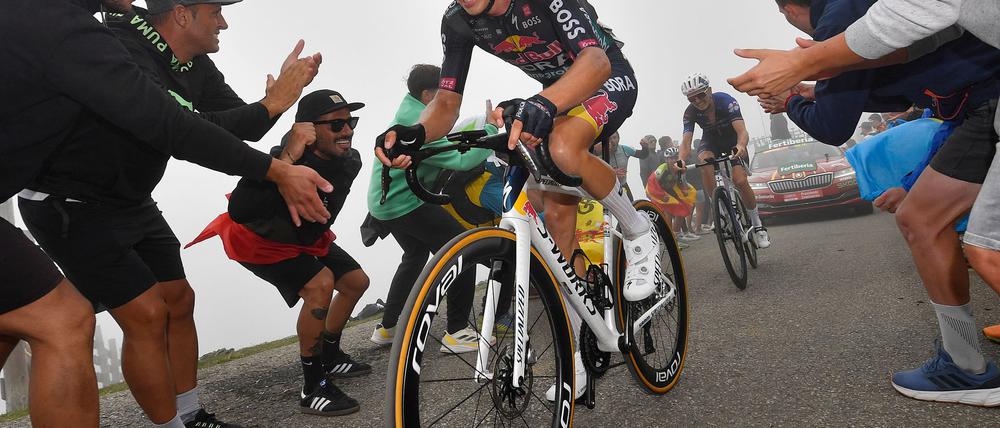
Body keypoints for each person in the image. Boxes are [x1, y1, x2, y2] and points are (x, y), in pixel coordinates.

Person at [0, 0, 329, 426]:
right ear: (181, 13)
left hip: (131, 201)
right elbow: (171, 124)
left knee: (177, 300)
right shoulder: (117, 40)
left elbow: (238, 124)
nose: (224, 23)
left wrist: (277, 100)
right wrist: (276, 165)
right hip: (71, 203)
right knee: (127, 316)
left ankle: (190, 415)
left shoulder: (193, 63)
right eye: (215, 12)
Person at [375, 0, 655, 402]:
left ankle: (636, 228)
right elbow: (446, 105)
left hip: (603, 77)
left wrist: (543, 103)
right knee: (558, 221)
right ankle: (579, 346)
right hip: (557, 93)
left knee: (560, 149)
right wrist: (415, 134)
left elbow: (595, 61)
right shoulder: (458, 22)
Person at [731, 0, 1000, 406]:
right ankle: (962, 361)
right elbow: (896, 83)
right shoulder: (852, 13)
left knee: (980, 248)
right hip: (979, 100)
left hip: (985, 101)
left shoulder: (835, 19)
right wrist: (813, 83)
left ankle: (964, 366)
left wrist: (793, 93)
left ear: (789, 9)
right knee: (922, 219)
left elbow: (833, 126)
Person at [187, 90, 371, 417]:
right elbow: (240, 210)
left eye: (350, 122)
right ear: (308, 130)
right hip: (259, 238)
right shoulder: (285, 158)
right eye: (337, 124)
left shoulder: (350, 160)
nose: (348, 131)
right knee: (320, 284)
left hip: (303, 237)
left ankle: (330, 356)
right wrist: (287, 155)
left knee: (356, 282)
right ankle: (313, 387)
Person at [365, 64, 489, 354]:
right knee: (462, 249)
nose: (450, 98)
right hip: (403, 203)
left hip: (384, 203)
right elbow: (460, 161)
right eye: (444, 93)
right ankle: (457, 332)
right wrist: (493, 128)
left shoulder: (410, 109)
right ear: (426, 94)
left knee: (415, 255)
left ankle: (388, 327)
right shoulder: (419, 120)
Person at [678, 73, 771, 248]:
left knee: (740, 181)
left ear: (709, 90)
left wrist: (741, 146)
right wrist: (681, 161)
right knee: (703, 161)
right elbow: (686, 141)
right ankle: (719, 210)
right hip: (711, 141)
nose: (697, 101)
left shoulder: (725, 101)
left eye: (700, 95)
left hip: (733, 141)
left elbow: (742, 132)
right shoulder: (690, 112)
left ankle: (758, 226)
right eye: (692, 98)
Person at [593, 132, 649, 201]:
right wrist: (612, 173)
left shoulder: (624, 149)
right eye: (609, 138)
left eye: (614, 137)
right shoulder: (599, 151)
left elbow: (642, 155)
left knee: (632, 207)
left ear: (619, 139)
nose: (612, 141)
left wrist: (645, 147)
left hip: (622, 185)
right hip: (605, 188)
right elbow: (590, 171)